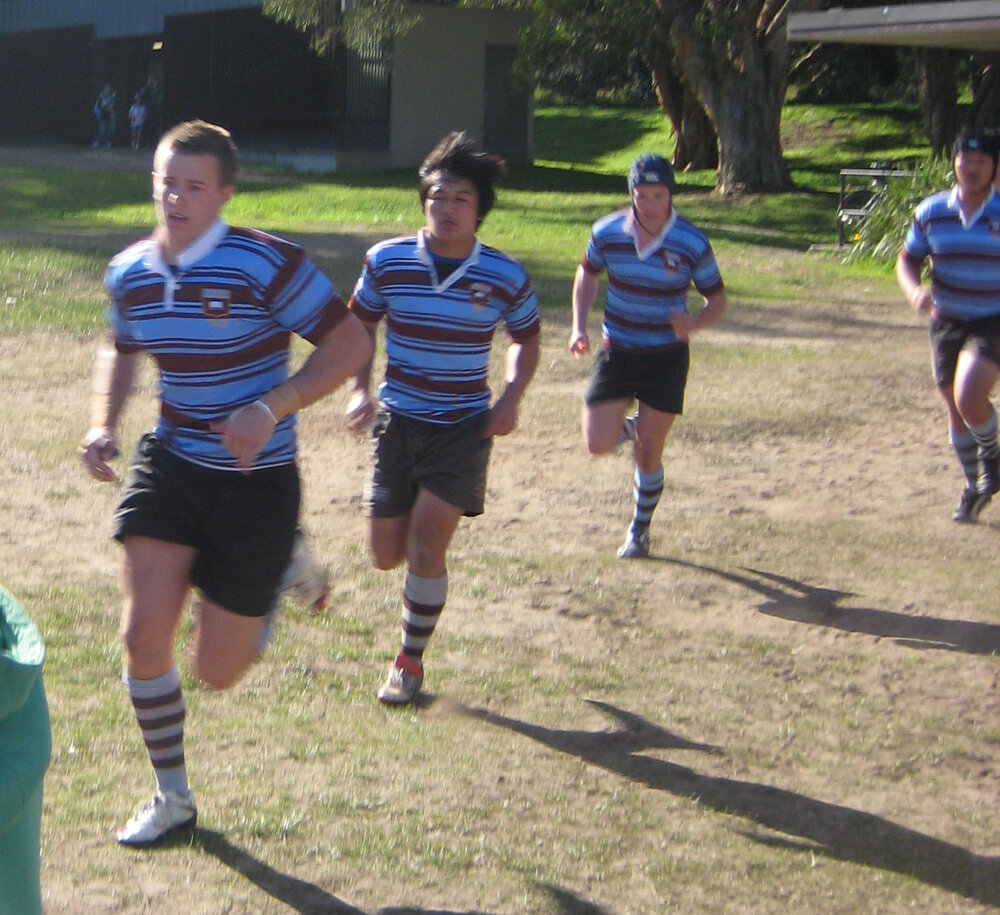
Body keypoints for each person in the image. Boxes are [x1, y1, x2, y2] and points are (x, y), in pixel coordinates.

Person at [79, 120, 372, 846]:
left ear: (225, 194)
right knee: (144, 636)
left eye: (194, 186)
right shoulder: (131, 270)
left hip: (254, 479)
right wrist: (102, 422)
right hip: (172, 462)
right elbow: (122, 347)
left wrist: (272, 406)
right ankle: (171, 796)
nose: (176, 197)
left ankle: (279, 565)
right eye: (166, 183)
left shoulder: (265, 262)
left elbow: (352, 342)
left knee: (217, 670)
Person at [346, 131, 540, 706]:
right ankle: (418, 589)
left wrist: (510, 400)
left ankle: (408, 663)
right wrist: (360, 387)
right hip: (398, 423)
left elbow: (526, 340)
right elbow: (360, 325)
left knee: (428, 549)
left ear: (480, 210)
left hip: (463, 426)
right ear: (423, 202)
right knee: (386, 555)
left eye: (460, 198)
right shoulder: (386, 261)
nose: (447, 208)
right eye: (437, 196)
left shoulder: (505, 275)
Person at [569, 152, 728, 559]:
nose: (652, 205)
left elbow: (717, 298)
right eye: (643, 196)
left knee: (648, 452)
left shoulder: (691, 241)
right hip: (618, 349)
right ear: (632, 195)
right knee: (597, 442)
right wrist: (578, 326)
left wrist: (693, 324)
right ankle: (639, 427)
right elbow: (587, 272)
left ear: (671, 195)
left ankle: (639, 531)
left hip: (666, 356)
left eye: (660, 195)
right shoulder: (607, 232)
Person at [896, 129, 1000, 523]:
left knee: (969, 393)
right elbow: (907, 260)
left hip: (993, 319)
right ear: (953, 163)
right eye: (964, 160)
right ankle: (975, 489)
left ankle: (992, 455)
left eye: (982, 162)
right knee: (957, 410)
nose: (971, 168)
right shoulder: (932, 211)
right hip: (947, 319)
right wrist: (914, 291)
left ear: (994, 167)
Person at [93, 84, 116, 148]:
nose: (107, 89)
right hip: (103, 115)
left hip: (110, 115)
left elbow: (112, 105)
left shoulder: (112, 96)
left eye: (109, 88)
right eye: (106, 88)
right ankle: (100, 142)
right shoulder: (101, 96)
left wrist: (109, 104)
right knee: (101, 130)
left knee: (110, 129)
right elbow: (101, 105)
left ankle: (108, 142)